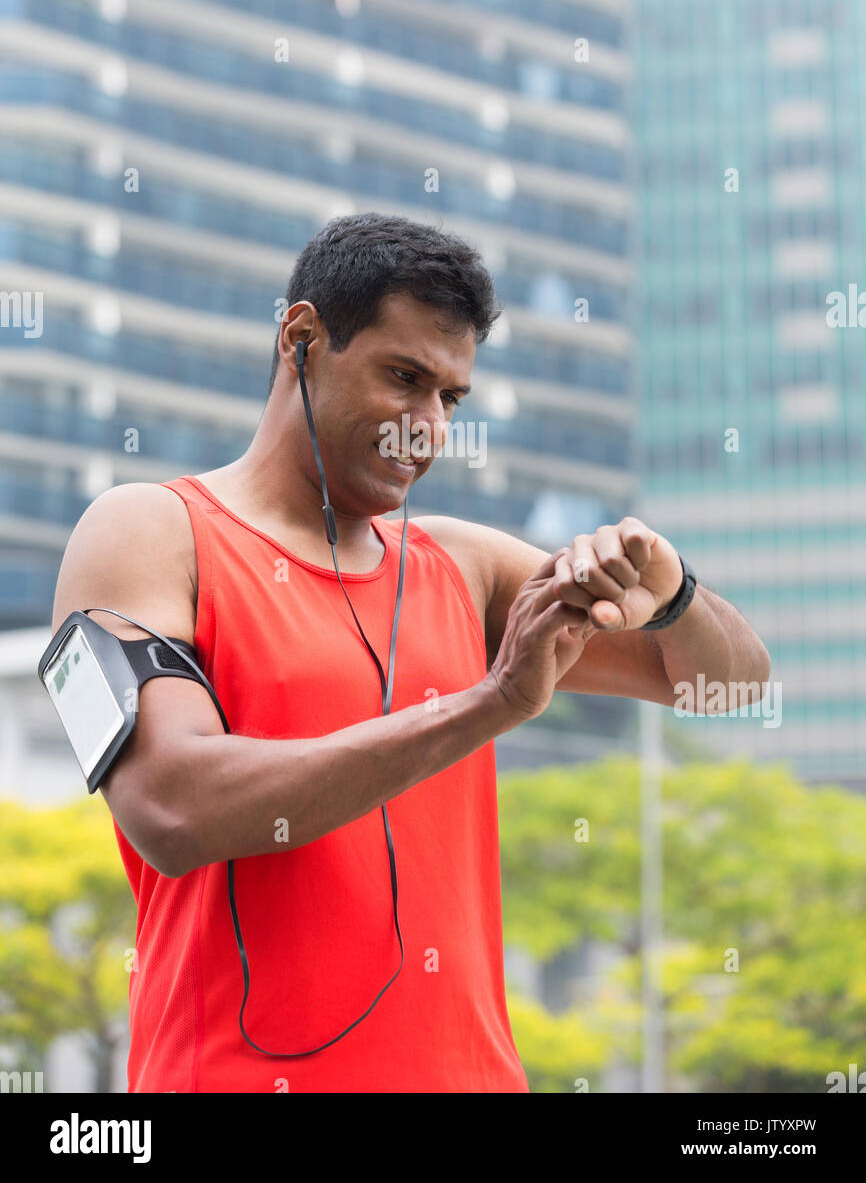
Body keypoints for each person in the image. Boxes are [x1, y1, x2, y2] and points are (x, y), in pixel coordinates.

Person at [51, 211, 770, 1093]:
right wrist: (492, 703)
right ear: (302, 339)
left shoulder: (462, 567)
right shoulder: (149, 533)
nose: (427, 428)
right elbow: (172, 809)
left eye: (451, 398)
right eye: (404, 378)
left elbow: (730, 687)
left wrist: (674, 596)